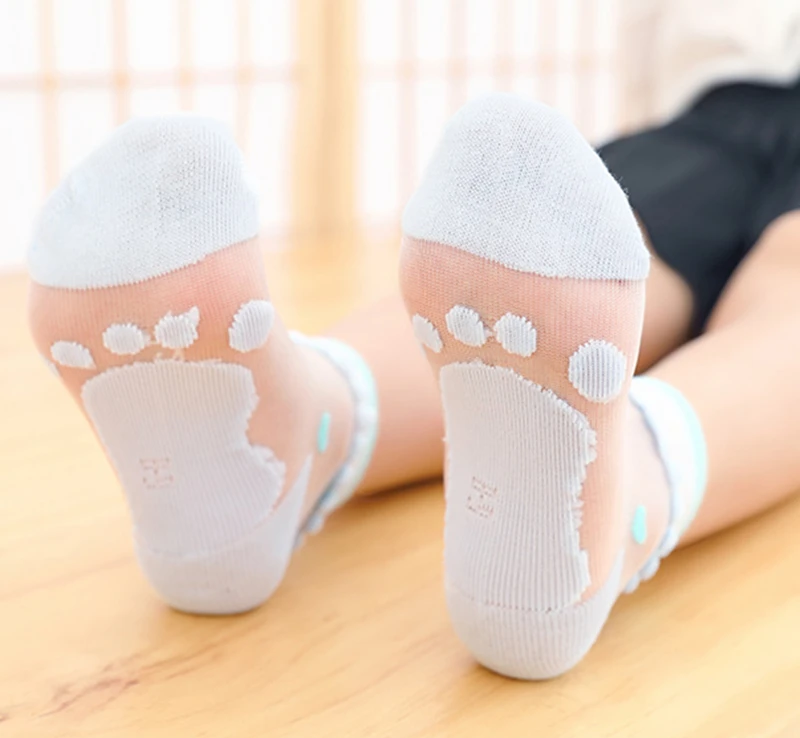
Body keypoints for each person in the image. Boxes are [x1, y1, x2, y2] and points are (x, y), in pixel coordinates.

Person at [27, 0, 800, 680]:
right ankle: (293, 430)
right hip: (722, 107)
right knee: (558, 264)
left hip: (719, 99)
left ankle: (604, 489)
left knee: (645, 266)